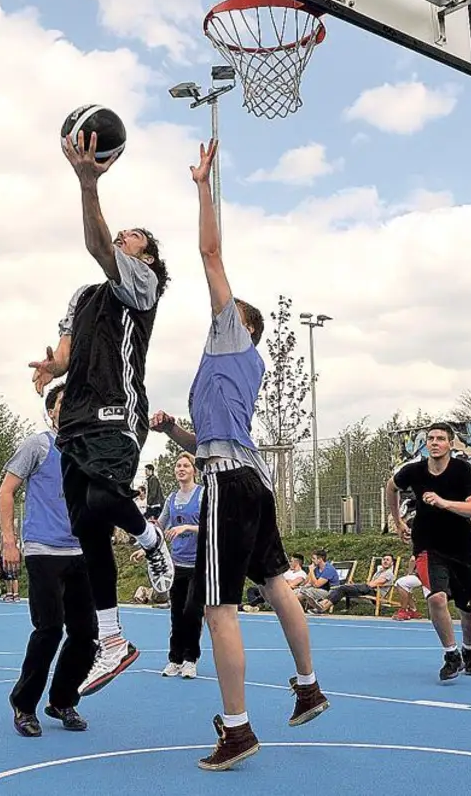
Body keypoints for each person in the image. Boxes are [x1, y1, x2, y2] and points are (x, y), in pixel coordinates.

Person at [150, 139, 327, 772]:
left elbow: (209, 251)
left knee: (216, 606)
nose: (213, 308)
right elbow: (212, 442)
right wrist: (175, 432)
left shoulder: (230, 334)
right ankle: (308, 685)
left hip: (229, 485)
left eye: (223, 308)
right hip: (246, 472)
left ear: (239, 323)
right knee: (276, 582)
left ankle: (237, 728)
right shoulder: (227, 373)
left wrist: (202, 185)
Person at [27, 129, 175, 696]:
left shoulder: (142, 282)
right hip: (77, 419)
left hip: (118, 408)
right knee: (87, 530)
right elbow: (66, 351)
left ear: (149, 255)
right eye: (123, 232)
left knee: (99, 500)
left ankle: (151, 539)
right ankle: (112, 639)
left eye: (133, 235)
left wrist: (88, 182)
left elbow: (98, 248)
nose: (123, 234)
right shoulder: (83, 296)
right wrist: (52, 369)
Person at [0, 383, 98, 737]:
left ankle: (62, 700)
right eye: (63, 403)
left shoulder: (87, 449)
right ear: (52, 410)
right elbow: (6, 491)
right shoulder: (38, 445)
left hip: (79, 552)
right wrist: (10, 541)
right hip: (43, 550)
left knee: (86, 633)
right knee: (49, 629)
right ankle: (24, 705)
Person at [386, 422, 471, 681]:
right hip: (428, 546)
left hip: (462, 547)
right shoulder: (414, 471)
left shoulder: (463, 471)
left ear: (450, 444)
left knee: (469, 610)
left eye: (440, 438)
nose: (434, 442)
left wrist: (443, 503)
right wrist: (398, 521)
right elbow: (391, 487)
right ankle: (451, 654)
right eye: (430, 438)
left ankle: (469, 649)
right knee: (436, 598)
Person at [159, 453, 203, 679]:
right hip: (176, 564)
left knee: (192, 611)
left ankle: (190, 659)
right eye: (178, 465)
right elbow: (159, 527)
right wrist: (144, 546)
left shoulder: (203, 494)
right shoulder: (171, 499)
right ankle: (175, 659)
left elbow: (211, 525)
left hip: (198, 564)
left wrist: (188, 528)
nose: (181, 468)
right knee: (176, 613)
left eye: (186, 465)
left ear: (194, 470)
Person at [319, 555, 396, 614]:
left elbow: (373, 584)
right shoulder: (379, 571)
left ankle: (323, 607)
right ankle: (322, 604)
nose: (385, 561)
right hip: (368, 589)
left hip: (376, 593)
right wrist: (356, 585)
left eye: (388, 560)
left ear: (392, 563)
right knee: (342, 588)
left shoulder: (388, 573)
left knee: (344, 588)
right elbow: (368, 585)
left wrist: (356, 586)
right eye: (384, 560)